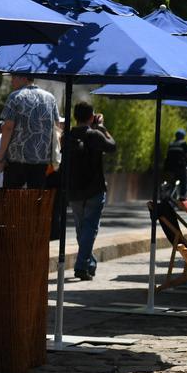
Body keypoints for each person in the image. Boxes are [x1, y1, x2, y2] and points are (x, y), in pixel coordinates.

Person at [65, 102, 116, 280]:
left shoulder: (68, 135)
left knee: (82, 230)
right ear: (91, 116)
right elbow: (112, 146)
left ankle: (90, 263)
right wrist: (102, 127)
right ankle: (81, 266)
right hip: (94, 189)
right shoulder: (95, 134)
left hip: (74, 190)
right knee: (89, 229)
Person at [0, 74, 60, 189]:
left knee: (13, 200)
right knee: (36, 200)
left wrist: (1, 157)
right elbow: (57, 128)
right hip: (41, 160)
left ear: (24, 78)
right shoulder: (50, 98)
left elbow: (8, 128)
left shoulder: (15, 97)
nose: (11, 81)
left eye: (14, 77)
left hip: (16, 159)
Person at [163, 129, 187, 198]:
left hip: (168, 167)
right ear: (183, 136)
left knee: (170, 180)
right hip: (179, 166)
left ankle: (167, 190)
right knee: (184, 179)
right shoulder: (183, 144)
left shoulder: (171, 144)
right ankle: (182, 196)